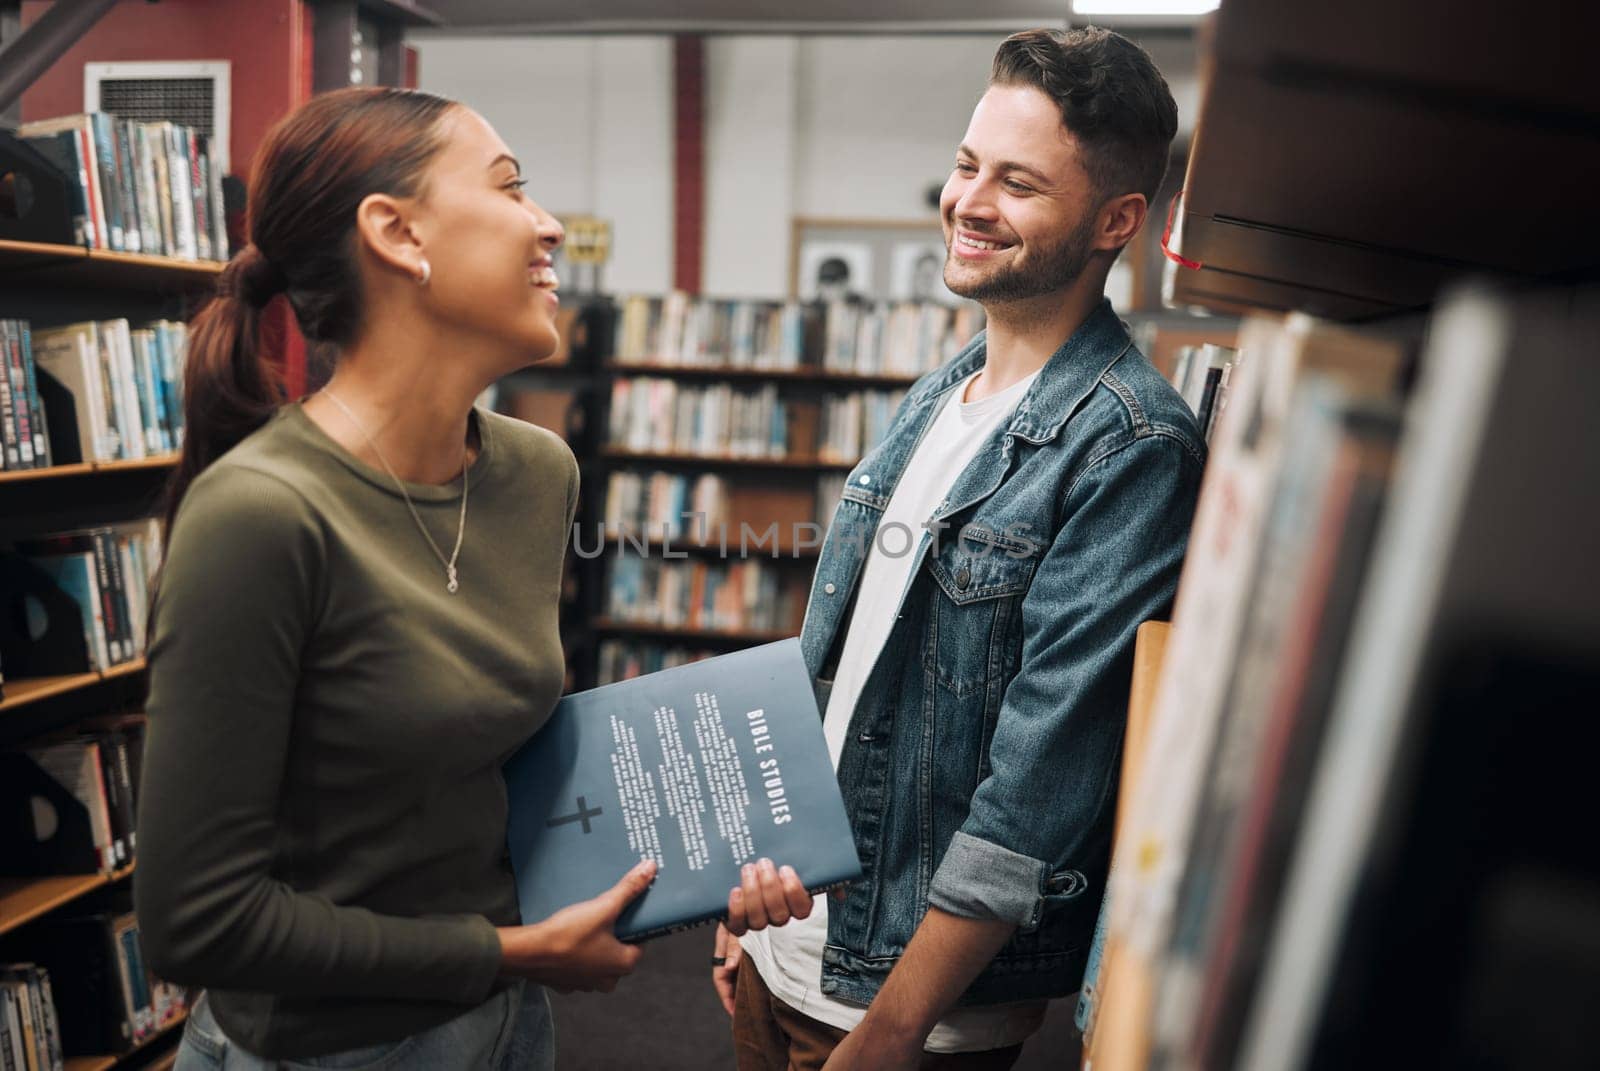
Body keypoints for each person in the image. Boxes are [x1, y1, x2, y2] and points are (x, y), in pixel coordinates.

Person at [136, 87, 808, 1070]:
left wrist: (713, 852)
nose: (548, 227)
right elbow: (194, 925)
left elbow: (495, 764)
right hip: (321, 1050)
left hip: (506, 1025)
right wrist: (509, 949)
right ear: (398, 233)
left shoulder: (537, 474)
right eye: (510, 188)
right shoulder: (261, 516)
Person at [716, 28, 1204, 1070]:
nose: (969, 202)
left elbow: (1041, 786)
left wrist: (894, 1029)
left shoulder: (1131, 446)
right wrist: (743, 897)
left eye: (1017, 182)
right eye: (967, 164)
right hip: (786, 949)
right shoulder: (941, 394)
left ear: (1116, 218)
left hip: (902, 1014)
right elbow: (835, 674)